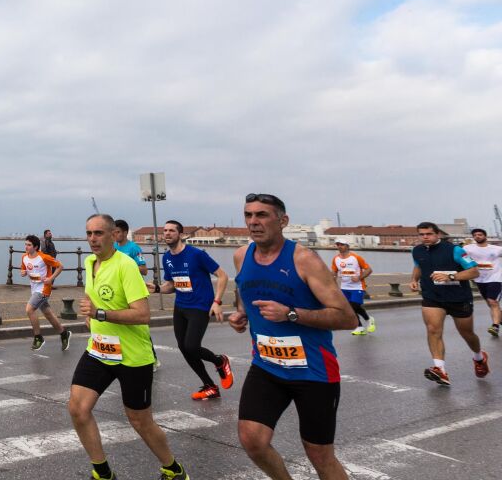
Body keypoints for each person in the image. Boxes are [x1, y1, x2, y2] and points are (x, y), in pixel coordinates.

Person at [227, 193, 356, 480]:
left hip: (313, 371)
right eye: (248, 215)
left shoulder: (304, 260)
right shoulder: (241, 256)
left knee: (320, 455)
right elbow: (244, 289)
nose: (253, 222)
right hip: (266, 366)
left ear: (282, 221)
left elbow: (347, 317)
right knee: (252, 440)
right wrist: (242, 313)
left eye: (262, 215)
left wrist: (292, 314)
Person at [69, 214, 189, 480]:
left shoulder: (126, 266)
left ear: (114, 235)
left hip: (132, 356)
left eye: (98, 233)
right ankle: (102, 472)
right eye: (89, 233)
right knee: (78, 408)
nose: (92, 239)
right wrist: (89, 315)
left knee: (139, 420)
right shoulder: (90, 263)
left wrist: (100, 314)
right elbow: (90, 294)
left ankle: (173, 468)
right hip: (100, 350)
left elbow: (143, 314)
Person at [149, 220, 233, 400]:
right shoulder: (167, 257)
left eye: (172, 230)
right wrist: (156, 289)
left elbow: (222, 275)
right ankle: (210, 386)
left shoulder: (196, 254)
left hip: (200, 306)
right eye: (165, 231)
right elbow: (171, 285)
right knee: (184, 348)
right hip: (181, 306)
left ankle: (220, 361)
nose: (167, 233)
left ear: (180, 234)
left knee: (192, 345)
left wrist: (217, 301)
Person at [409, 221, 489, 385]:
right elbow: (418, 266)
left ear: (438, 234)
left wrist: (451, 277)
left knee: (467, 333)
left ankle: (479, 357)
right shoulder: (417, 250)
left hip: (458, 297)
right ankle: (440, 369)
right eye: (422, 234)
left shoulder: (455, 250)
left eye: (429, 234)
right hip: (432, 297)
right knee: (433, 330)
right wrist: (413, 280)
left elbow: (474, 271)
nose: (425, 237)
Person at [20, 234, 70, 351]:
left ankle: (38, 337)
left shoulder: (44, 257)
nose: (26, 247)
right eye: (25, 244)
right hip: (34, 289)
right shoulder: (24, 257)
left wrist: (51, 278)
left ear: (36, 247)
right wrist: (23, 273)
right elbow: (24, 269)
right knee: (48, 314)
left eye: (29, 245)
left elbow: (60, 266)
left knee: (29, 309)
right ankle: (64, 333)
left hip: (44, 289)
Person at [330, 240, 375, 335]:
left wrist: (359, 277)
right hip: (345, 287)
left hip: (357, 286)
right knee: (349, 309)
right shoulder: (335, 259)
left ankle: (369, 319)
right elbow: (334, 272)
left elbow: (369, 270)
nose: (339, 246)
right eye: (338, 245)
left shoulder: (356, 257)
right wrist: (332, 283)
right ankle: (359, 327)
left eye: (342, 244)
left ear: (347, 246)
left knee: (354, 305)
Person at [463, 228, 501, 336]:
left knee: (492, 301)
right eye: (475, 235)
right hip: (479, 279)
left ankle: (495, 326)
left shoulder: (496, 249)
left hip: (495, 278)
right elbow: (458, 256)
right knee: (490, 303)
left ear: (485, 236)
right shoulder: (468, 248)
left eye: (480, 234)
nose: (477, 236)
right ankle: (499, 319)